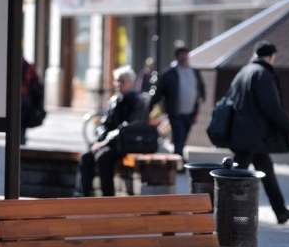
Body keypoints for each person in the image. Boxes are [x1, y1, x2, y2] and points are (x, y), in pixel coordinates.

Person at [228, 40, 289, 224]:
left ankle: (280, 211)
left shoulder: (244, 72)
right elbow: (272, 107)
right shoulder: (262, 74)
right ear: (270, 57)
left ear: (255, 54)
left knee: (266, 171)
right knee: (234, 178)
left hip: (245, 134)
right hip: (253, 135)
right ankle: (220, 211)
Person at [77, 66, 147, 197]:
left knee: (103, 157)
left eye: (122, 81)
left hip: (127, 143)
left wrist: (104, 142)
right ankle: (82, 195)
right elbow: (103, 124)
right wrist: (100, 139)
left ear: (131, 82)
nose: (119, 84)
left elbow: (129, 127)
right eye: (117, 81)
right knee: (86, 155)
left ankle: (108, 197)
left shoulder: (137, 101)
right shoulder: (113, 101)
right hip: (110, 142)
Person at [148, 46, 205, 160]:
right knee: (179, 136)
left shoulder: (194, 72)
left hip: (190, 112)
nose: (184, 57)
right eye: (181, 55)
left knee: (183, 136)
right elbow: (159, 91)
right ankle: (179, 159)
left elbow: (201, 88)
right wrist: (150, 107)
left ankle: (176, 157)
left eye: (186, 55)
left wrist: (201, 99)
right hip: (175, 112)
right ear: (177, 57)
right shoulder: (170, 73)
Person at [20, 58, 43, 145]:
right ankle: (21, 138)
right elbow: (37, 80)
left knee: (20, 120)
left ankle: (20, 138)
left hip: (22, 97)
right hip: (25, 97)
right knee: (22, 121)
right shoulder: (29, 67)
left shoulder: (29, 67)